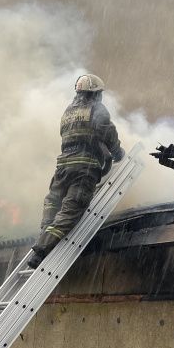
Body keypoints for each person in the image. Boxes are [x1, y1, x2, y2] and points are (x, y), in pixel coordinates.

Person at [28, 73, 124, 268]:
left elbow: (74, 137)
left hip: (62, 168)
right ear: (95, 94)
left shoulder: (68, 113)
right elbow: (108, 133)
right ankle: (41, 250)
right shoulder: (97, 110)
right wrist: (118, 153)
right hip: (83, 170)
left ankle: (43, 235)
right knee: (70, 211)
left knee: (52, 204)